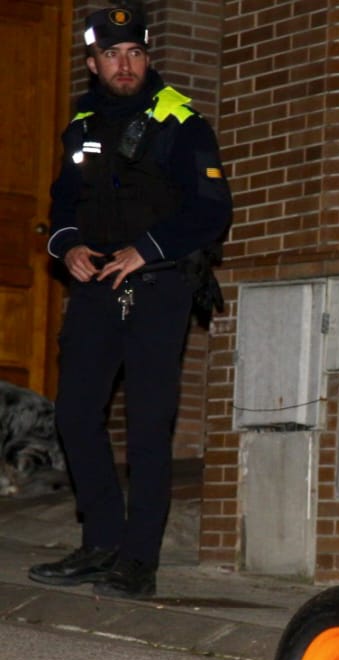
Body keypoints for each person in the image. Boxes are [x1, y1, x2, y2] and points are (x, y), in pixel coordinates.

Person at [29, 5, 231, 600]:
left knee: (148, 425)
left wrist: (146, 249)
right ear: (93, 63)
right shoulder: (82, 125)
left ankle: (138, 561)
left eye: (135, 53)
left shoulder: (181, 122)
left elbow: (212, 211)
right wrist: (68, 246)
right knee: (74, 414)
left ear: (147, 57)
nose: (126, 64)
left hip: (158, 287)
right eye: (112, 55)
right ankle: (101, 544)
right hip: (95, 286)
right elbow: (63, 201)